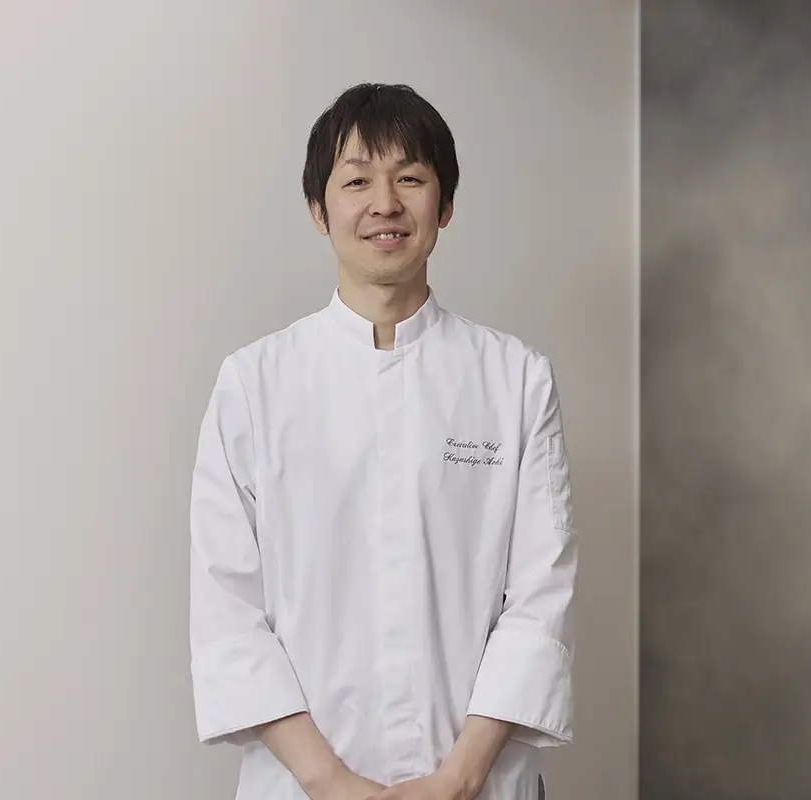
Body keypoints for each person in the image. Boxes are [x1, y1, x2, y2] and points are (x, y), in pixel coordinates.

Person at [189, 83, 578, 800]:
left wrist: (457, 780)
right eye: (357, 181)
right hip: (301, 787)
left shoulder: (516, 380)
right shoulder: (254, 384)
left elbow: (539, 598)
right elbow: (228, 610)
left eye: (411, 178)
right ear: (319, 210)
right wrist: (330, 782)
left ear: (445, 206)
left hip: (481, 785)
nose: (385, 204)